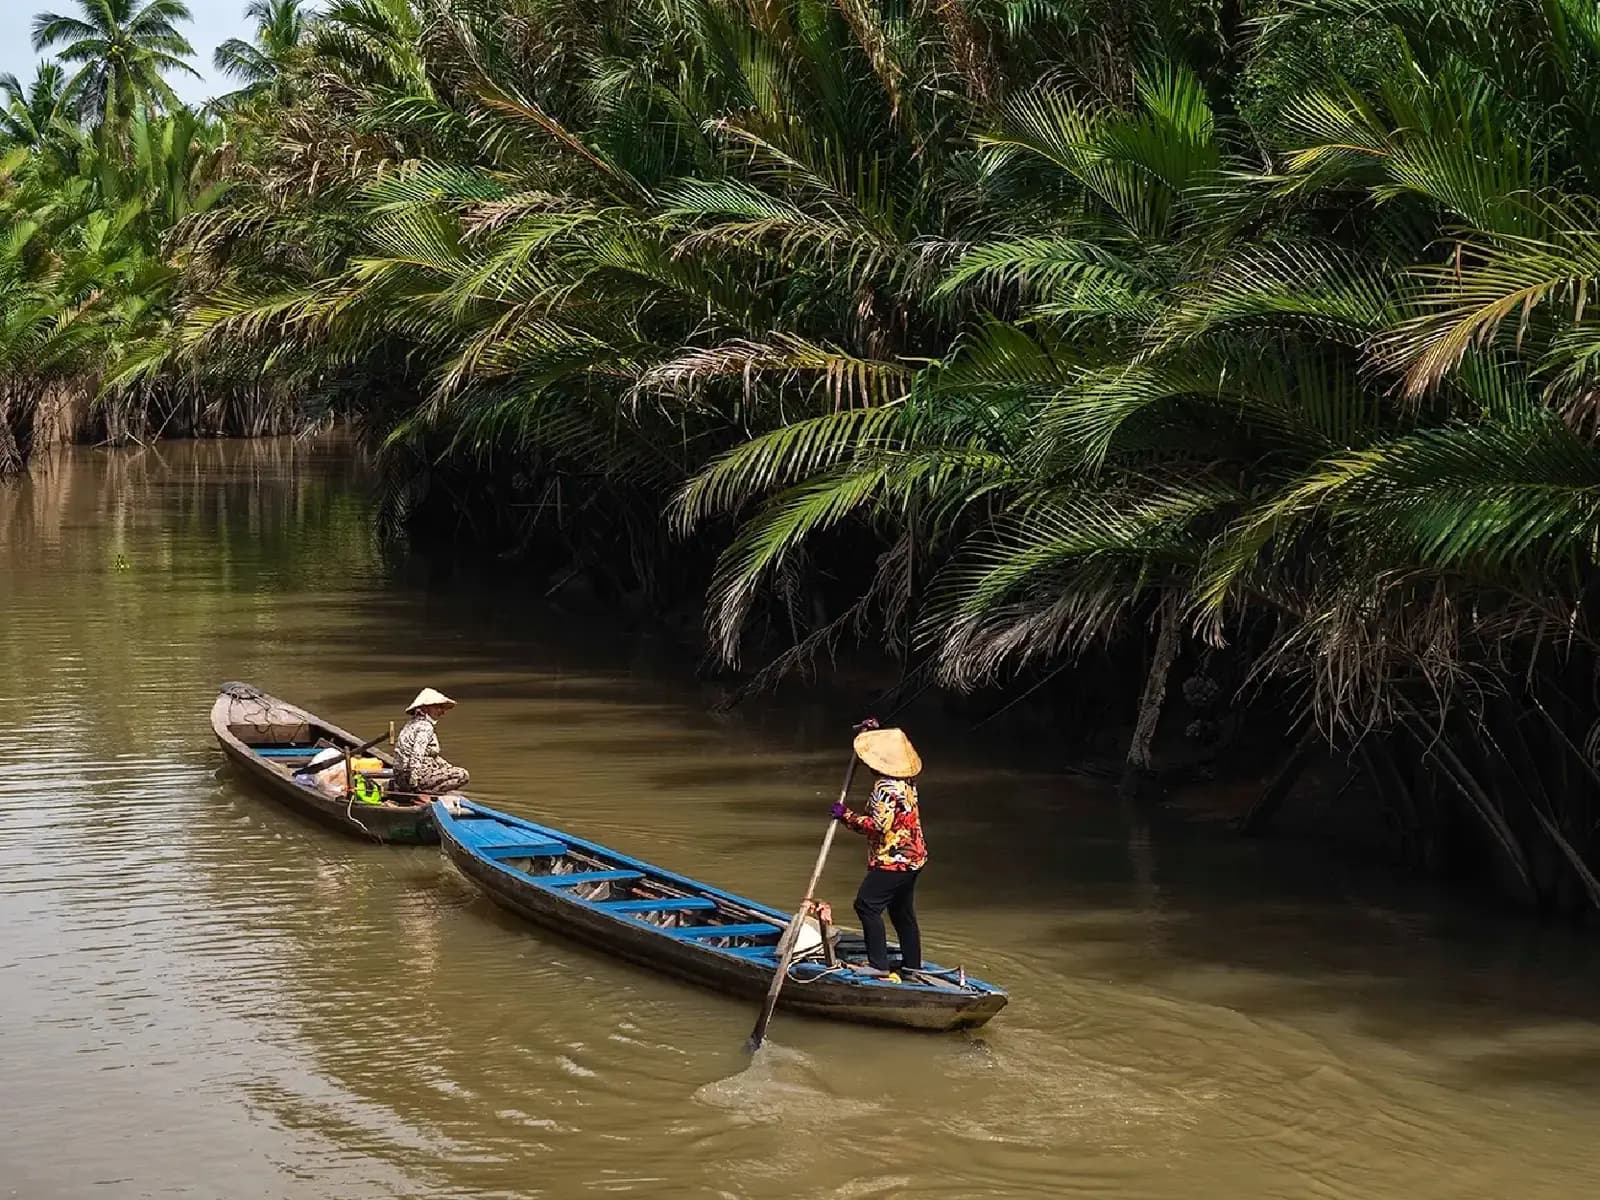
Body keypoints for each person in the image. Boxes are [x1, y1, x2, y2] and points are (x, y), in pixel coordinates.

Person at [832, 726, 926, 978]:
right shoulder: (907, 782)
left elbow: (877, 827)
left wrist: (846, 816)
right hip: (914, 857)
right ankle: (912, 966)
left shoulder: (884, 788)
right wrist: (871, 732)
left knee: (866, 906)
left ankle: (878, 965)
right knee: (902, 911)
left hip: (892, 859)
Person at [393, 688, 470, 796]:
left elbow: (430, 755)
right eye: (438, 707)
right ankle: (428, 794)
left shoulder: (411, 724)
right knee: (462, 775)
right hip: (411, 777)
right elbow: (417, 754)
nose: (442, 711)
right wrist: (414, 783)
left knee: (448, 768)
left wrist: (448, 767)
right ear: (426, 708)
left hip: (400, 777)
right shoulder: (425, 727)